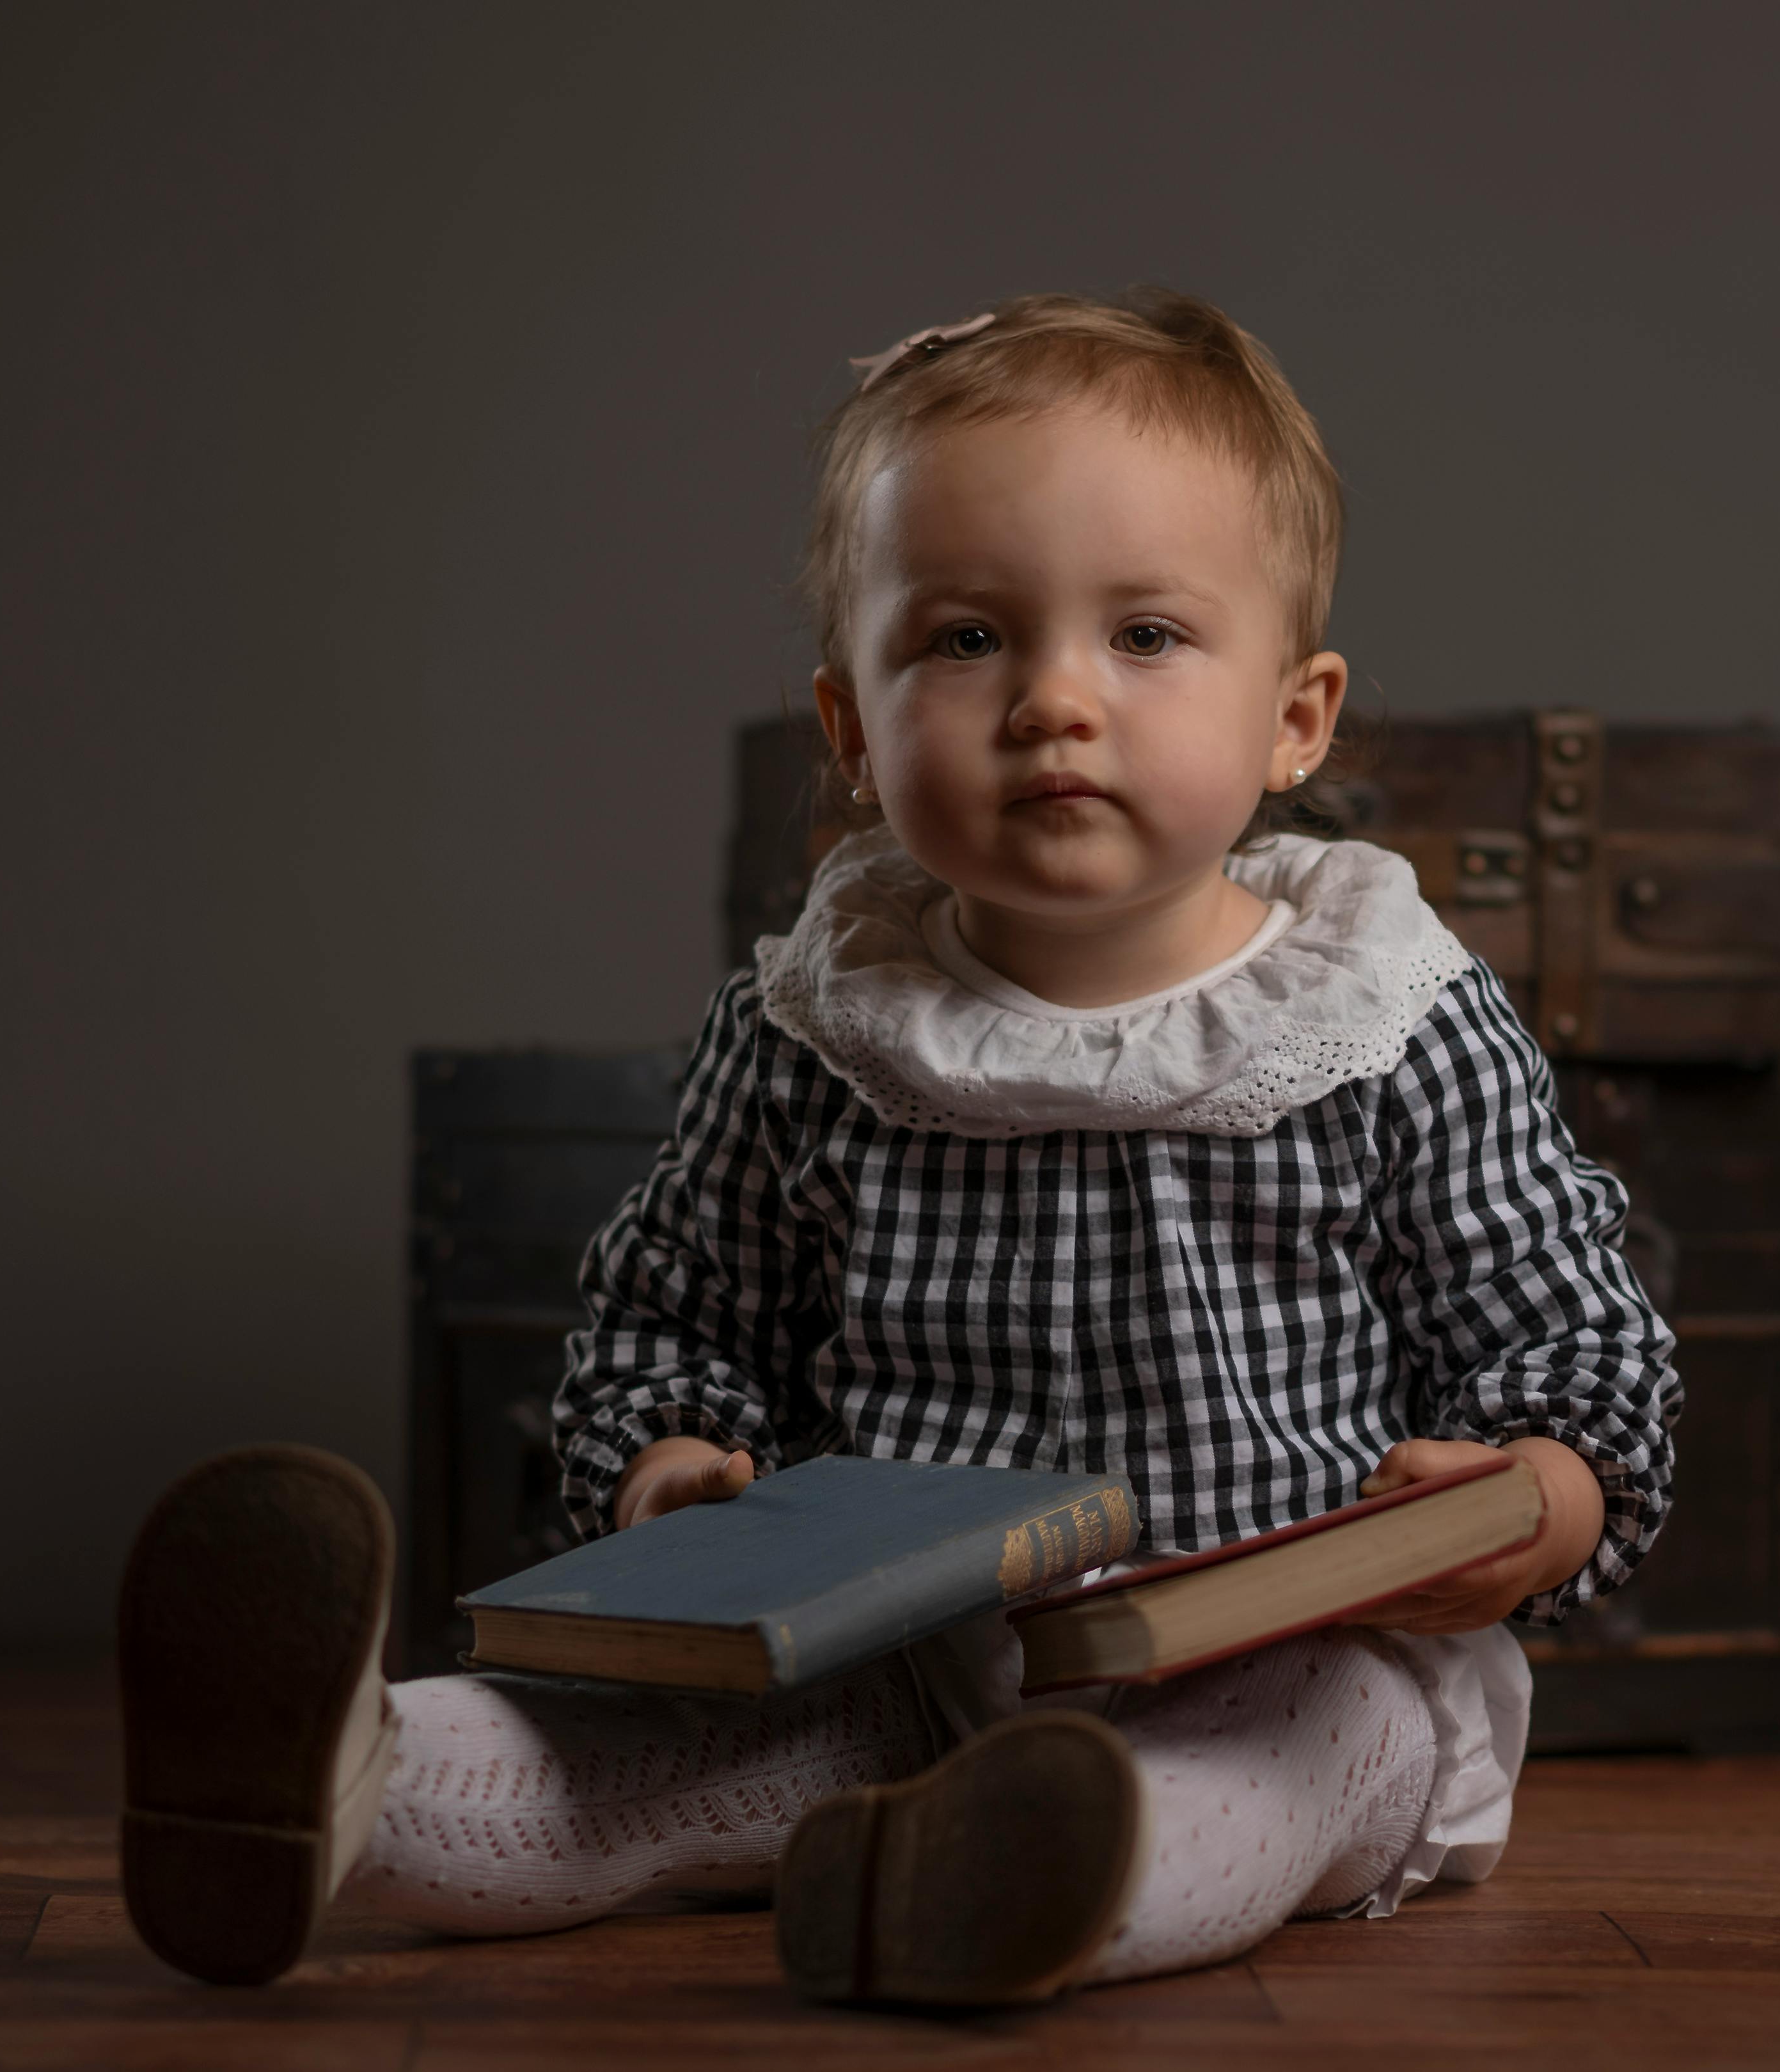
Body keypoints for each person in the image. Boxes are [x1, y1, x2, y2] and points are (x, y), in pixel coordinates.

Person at [117, 289, 1680, 2002]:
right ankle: (331, 1779)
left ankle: (1035, 1870)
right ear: (851, 730)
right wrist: (673, 1472)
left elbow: (1565, 1331)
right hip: (888, 1651)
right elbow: (671, 1319)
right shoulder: (818, 1026)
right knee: (632, 1762)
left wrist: (1543, 1493)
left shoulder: (1379, 1014)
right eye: (962, 640)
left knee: (1284, 1768)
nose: (1051, 702)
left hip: (1279, 1652)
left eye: (1147, 635)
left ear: (1295, 719)